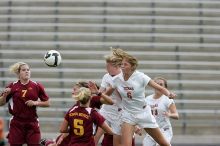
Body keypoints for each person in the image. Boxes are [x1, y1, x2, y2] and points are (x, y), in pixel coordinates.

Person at [106, 48, 176, 146]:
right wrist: (98, 93)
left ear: (132, 66)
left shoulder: (141, 77)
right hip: (128, 114)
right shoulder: (117, 79)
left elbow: (159, 88)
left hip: (144, 113)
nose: (122, 66)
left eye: (125, 64)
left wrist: (169, 94)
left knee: (164, 144)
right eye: (121, 64)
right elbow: (106, 94)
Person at [40, 81, 114, 146]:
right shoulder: (76, 107)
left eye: (74, 89)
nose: (72, 92)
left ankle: (47, 142)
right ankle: (48, 142)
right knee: (55, 144)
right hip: (73, 135)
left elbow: (111, 102)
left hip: (77, 136)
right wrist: (63, 136)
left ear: (82, 90)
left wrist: (98, 92)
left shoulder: (91, 101)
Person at [0, 62, 50, 146]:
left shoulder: (37, 86)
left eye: (28, 70)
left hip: (32, 122)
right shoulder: (12, 86)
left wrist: (35, 102)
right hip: (17, 123)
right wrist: (4, 95)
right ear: (18, 73)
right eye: (24, 70)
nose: (27, 71)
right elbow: (1, 103)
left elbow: (47, 103)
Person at [94, 50, 124, 146]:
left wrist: (114, 87)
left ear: (116, 66)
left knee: (117, 142)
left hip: (119, 112)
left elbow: (125, 98)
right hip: (106, 110)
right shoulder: (106, 76)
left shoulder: (123, 77)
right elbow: (101, 94)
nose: (106, 68)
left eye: (108, 66)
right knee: (95, 138)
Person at [143, 77, 179, 146]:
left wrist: (169, 115)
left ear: (165, 87)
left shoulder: (167, 99)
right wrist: (138, 126)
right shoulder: (147, 99)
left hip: (164, 130)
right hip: (152, 130)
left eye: (161, 84)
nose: (158, 86)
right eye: (156, 84)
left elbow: (176, 115)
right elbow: (143, 114)